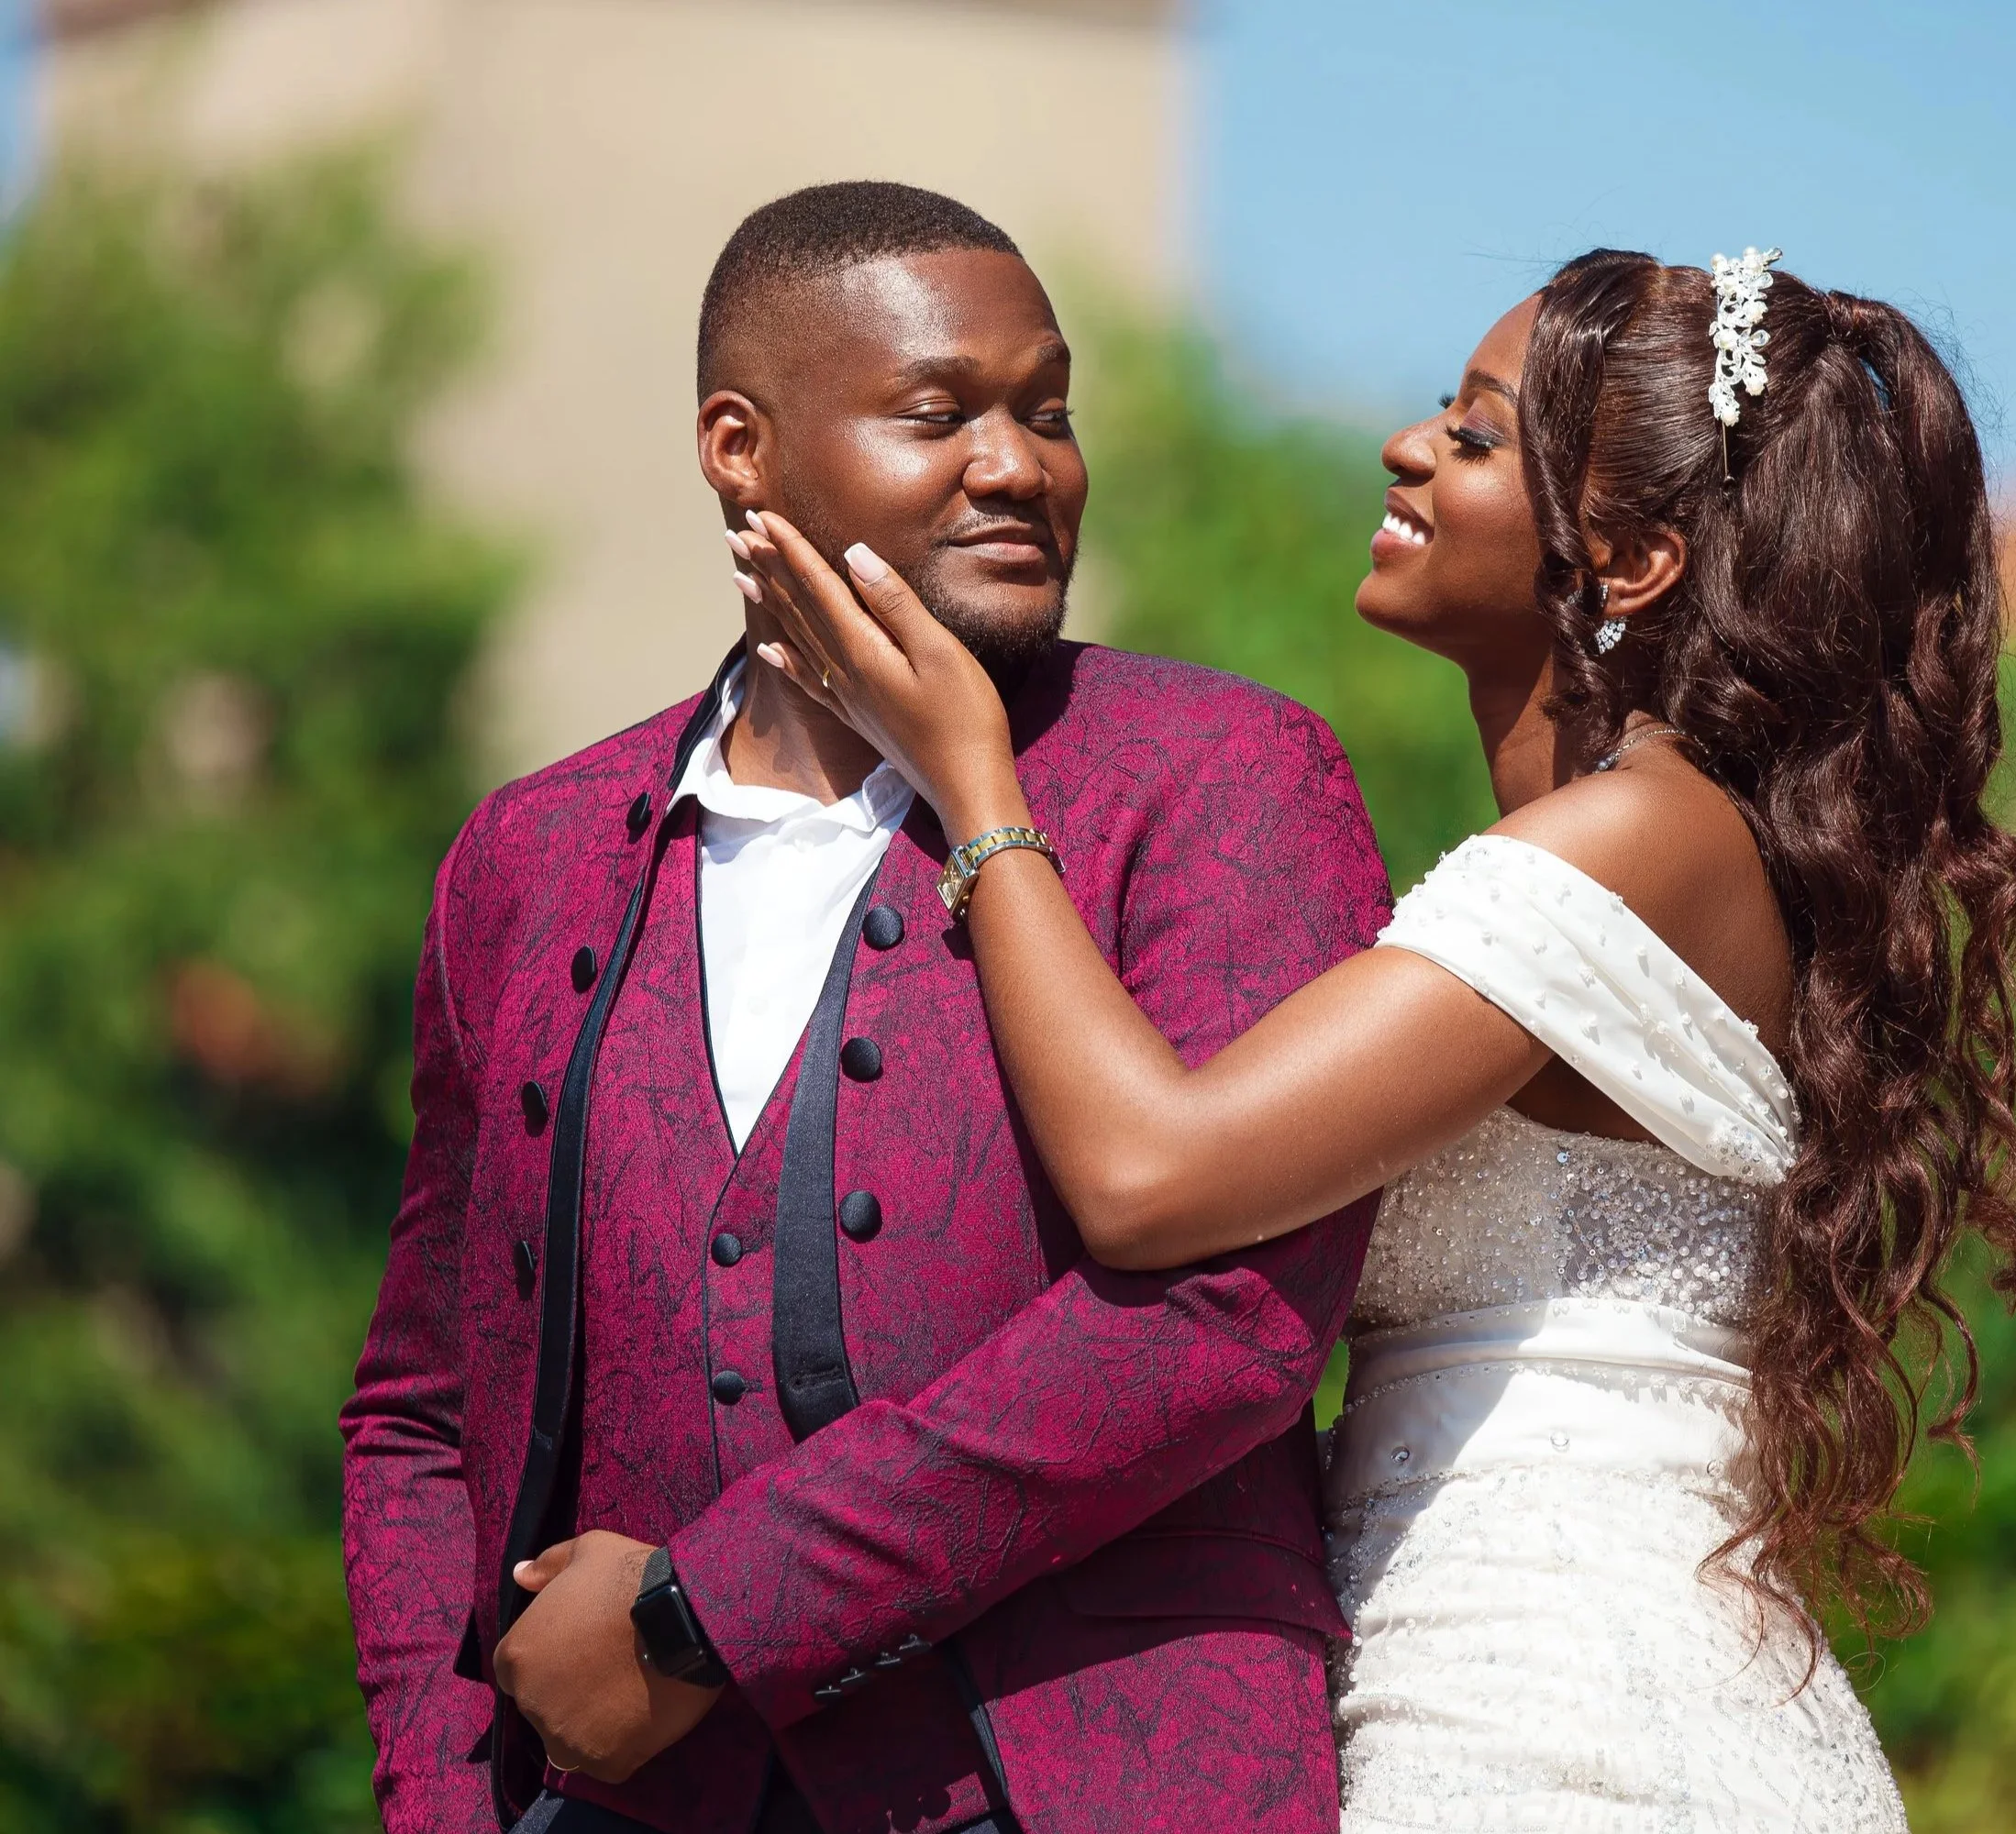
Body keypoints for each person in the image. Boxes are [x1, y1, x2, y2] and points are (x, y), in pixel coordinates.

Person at [744, 245, 2016, 1830]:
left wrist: (974, 782)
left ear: (1633, 562)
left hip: (1559, 1721)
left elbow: (1152, 1177)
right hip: (1519, 1676)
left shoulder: (1629, 843)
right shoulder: (1671, 839)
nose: (1406, 446)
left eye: (1478, 434)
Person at [338, 182, 1392, 1834]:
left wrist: (707, 1612)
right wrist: (440, 1798)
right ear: (738, 449)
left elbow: (1233, 1318)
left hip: (1089, 1790)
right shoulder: (528, 855)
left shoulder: (1220, 776)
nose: (1019, 465)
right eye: (939, 412)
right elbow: (423, 1408)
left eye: (1049, 412)